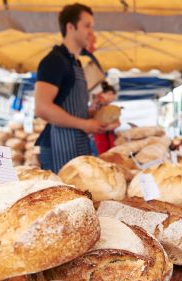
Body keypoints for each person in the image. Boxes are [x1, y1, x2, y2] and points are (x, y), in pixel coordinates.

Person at [34, 3, 109, 173]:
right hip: (58, 146)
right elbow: (42, 108)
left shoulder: (75, 63)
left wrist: (92, 113)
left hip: (76, 145)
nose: (91, 32)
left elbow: (70, 109)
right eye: (87, 26)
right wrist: (84, 124)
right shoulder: (54, 61)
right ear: (70, 27)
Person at [89, 82, 118, 154]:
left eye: (113, 94)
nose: (112, 96)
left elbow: (117, 123)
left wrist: (109, 127)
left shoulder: (110, 107)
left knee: (110, 154)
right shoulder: (96, 105)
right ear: (101, 94)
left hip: (108, 136)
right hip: (98, 137)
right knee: (101, 156)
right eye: (109, 94)